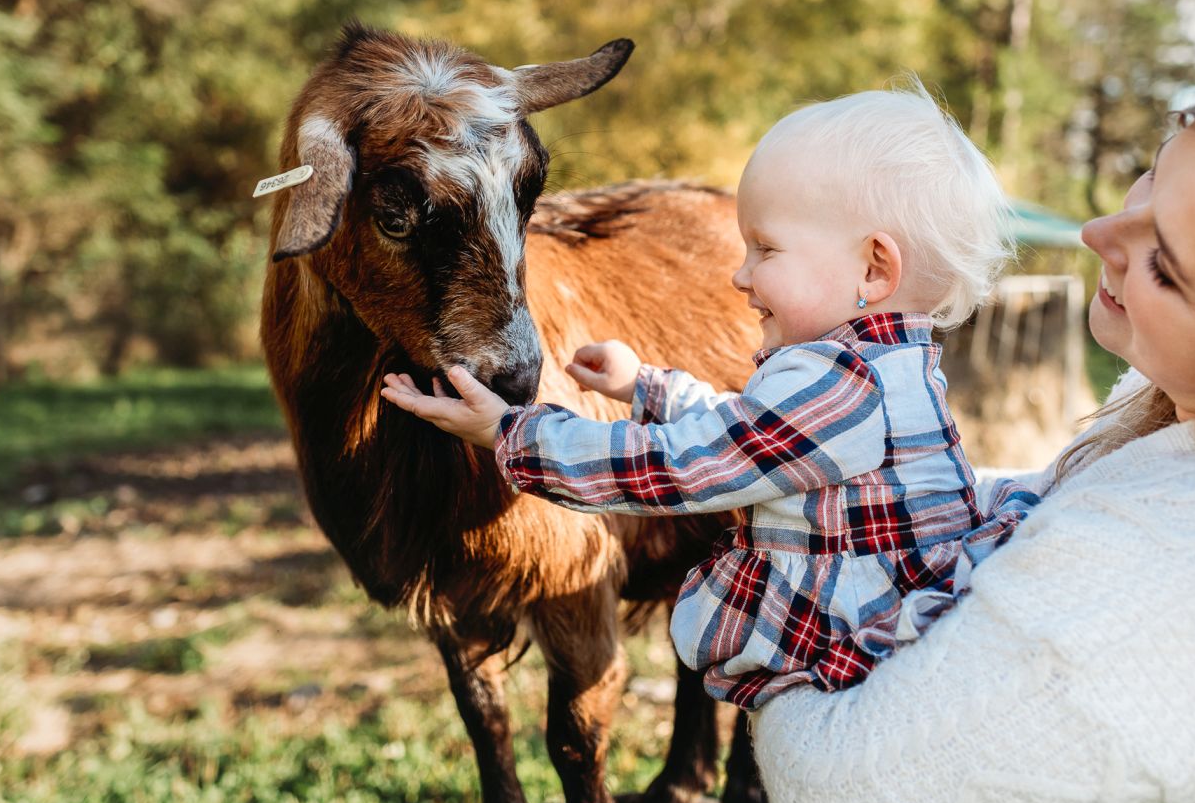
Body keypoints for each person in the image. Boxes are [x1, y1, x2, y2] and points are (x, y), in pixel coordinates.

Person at [750, 60, 1195, 803]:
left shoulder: (1191, 566)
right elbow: (1042, 507)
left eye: (1165, 265)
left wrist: (780, 560)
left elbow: (839, 801)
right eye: (1150, 178)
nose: (1100, 233)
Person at [380, 85, 1038, 712]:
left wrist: (510, 431)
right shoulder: (878, 368)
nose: (738, 274)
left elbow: (674, 467)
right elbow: (746, 431)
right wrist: (646, 386)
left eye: (765, 249)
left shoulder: (842, 390)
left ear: (874, 268)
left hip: (859, 658)